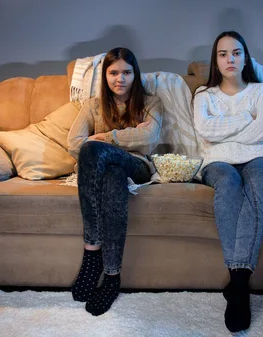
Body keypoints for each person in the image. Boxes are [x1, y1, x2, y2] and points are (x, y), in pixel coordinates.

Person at [192, 31, 263, 333]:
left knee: (259, 184)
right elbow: (206, 131)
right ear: (215, 60)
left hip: (260, 157)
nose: (230, 59)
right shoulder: (204, 96)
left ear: (245, 57)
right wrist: (246, 118)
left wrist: (227, 129)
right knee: (229, 185)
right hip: (217, 162)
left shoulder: (261, 90)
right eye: (223, 53)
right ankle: (240, 282)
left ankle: (238, 282)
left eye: (236, 52)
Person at [67, 47, 162, 316]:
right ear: (105, 76)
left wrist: (107, 138)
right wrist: (131, 135)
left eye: (127, 72)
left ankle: (91, 253)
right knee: (112, 174)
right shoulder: (93, 106)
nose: (120, 78)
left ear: (135, 74)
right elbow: (73, 143)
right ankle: (110, 276)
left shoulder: (151, 102)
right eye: (113, 72)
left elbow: (150, 138)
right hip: (111, 171)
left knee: (95, 151)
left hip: (138, 166)